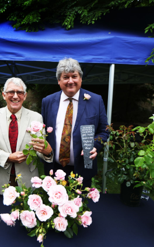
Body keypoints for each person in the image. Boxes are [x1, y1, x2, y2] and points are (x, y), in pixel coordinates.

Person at [36, 58, 110, 188]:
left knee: (81, 206)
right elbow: (43, 130)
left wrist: (96, 145)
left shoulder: (96, 100)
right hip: (54, 169)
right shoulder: (48, 101)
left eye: (74, 76)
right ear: (59, 81)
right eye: (66, 77)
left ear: (80, 78)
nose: (70, 81)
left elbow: (104, 130)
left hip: (82, 169)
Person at [0, 78, 50, 194]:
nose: (16, 96)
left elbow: (39, 149)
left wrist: (47, 152)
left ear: (25, 96)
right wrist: (7, 157)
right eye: (11, 92)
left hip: (27, 181)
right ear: (4, 95)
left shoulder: (36, 118)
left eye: (20, 92)